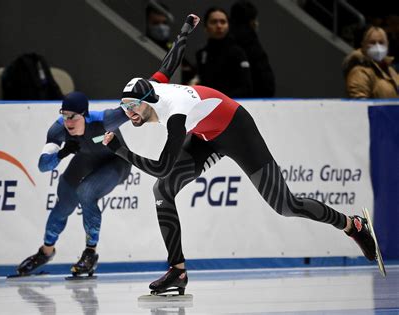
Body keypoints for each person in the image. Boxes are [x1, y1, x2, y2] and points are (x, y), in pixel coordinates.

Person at [102, 14, 380, 295]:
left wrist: (120, 150)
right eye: (125, 107)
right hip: (204, 134)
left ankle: (352, 224)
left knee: (285, 205)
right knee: (163, 190)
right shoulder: (153, 86)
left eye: (133, 107)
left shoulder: (175, 114)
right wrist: (185, 30)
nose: (129, 114)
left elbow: (162, 166)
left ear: (148, 101)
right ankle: (178, 271)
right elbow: (170, 62)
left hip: (236, 130)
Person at [16, 91, 131, 277]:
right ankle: (45, 252)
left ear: (84, 115)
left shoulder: (104, 120)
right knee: (65, 200)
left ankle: (90, 253)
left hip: (116, 163)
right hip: (86, 159)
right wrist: (61, 154)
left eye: (73, 117)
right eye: (64, 115)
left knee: (86, 191)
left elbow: (135, 105)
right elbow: (43, 166)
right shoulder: (58, 129)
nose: (68, 122)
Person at [194, 7, 253, 98]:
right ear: (206, 27)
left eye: (223, 22)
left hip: (231, 104)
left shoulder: (238, 53)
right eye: (214, 22)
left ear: (228, 26)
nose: (219, 26)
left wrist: (222, 99)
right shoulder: (201, 54)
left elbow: (246, 88)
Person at [230, 0, 276, 97]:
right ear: (252, 22)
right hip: (251, 102)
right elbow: (266, 83)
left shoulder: (224, 42)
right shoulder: (253, 45)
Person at [145, 1, 196, 84]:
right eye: (156, 23)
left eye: (164, 23)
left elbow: (188, 68)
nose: (161, 27)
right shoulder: (145, 46)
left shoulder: (170, 45)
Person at [343, 25, 399, 98]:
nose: (377, 46)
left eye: (381, 42)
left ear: (387, 44)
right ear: (364, 44)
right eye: (372, 43)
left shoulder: (391, 71)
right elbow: (360, 104)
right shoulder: (360, 72)